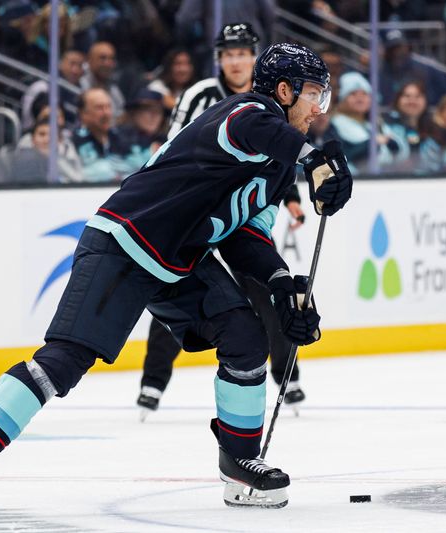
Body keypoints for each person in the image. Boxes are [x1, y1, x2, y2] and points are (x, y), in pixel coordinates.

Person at [0, 42, 351, 517]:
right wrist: (314, 158)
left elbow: (245, 235)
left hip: (178, 259)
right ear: (285, 91)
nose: (319, 109)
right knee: (63, 362)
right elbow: (253, 127)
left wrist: (282, 284)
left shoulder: (278, 163)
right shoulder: (247, 112)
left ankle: (238, 461)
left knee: (246, 336)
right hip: (123, 243)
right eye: (314, 95)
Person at [137, 23, 309, 419]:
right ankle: (153, 382)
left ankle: (288, 375)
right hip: (197, 209)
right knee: (174, 282)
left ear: (254, 57)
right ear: (219, 59)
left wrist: (294, 199)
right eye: (229, 54)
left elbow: (283, 155)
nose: (236, 61)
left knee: (265, 287)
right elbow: (175, 146)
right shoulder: (200, 94)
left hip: (244, 210)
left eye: (243, 53)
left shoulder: (274, 98)